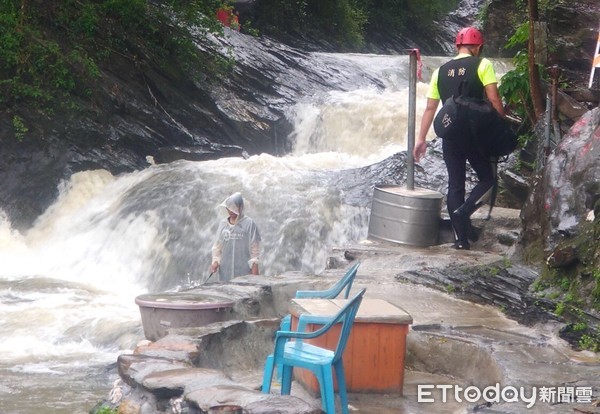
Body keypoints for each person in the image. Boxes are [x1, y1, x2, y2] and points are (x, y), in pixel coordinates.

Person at [413, 27, 506, 250]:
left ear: (457, 46)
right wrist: (501, 123)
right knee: (487, 179)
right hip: (475, 134)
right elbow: (494, 99)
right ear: (479, 47)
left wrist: (421, 139)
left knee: (456, 185)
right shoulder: (483, 65)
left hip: (450, 135)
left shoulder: (440, 71)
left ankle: (460, 241)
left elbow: (429, 108)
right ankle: (464, 211)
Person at [210, 192, 261, 281]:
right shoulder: (223, 224)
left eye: (235, 207)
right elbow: (217, 246)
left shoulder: (249, 223)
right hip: (225, 270)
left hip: (244, 270)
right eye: (229, 207)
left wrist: (254, 269)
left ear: (241, 207)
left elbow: (255, 248)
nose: (231, 211)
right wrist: (215, 262)